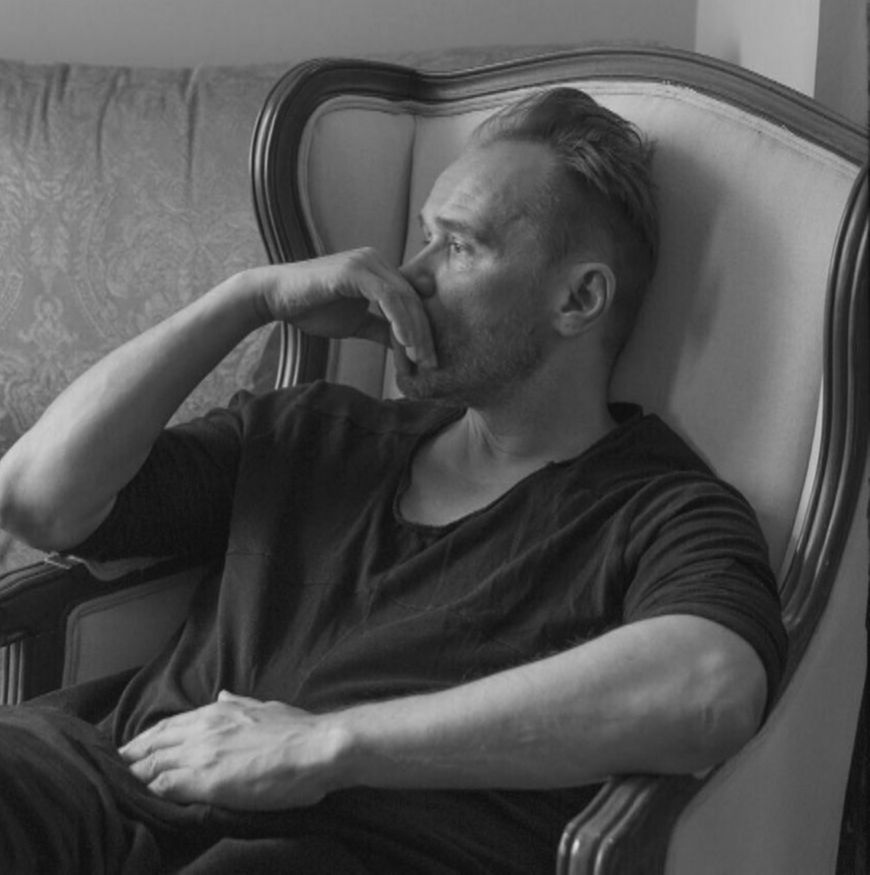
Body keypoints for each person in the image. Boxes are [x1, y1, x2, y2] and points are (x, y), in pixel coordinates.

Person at [0, 88, 787, 874]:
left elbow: (711, 685)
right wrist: (247, 299)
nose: (410, 276)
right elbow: (36, 497)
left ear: (579, 299)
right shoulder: (315, 429)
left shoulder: (658, 507)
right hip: (99, 784)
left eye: (460, 246)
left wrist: (329, 745)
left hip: (330, 851)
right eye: (423, 237)